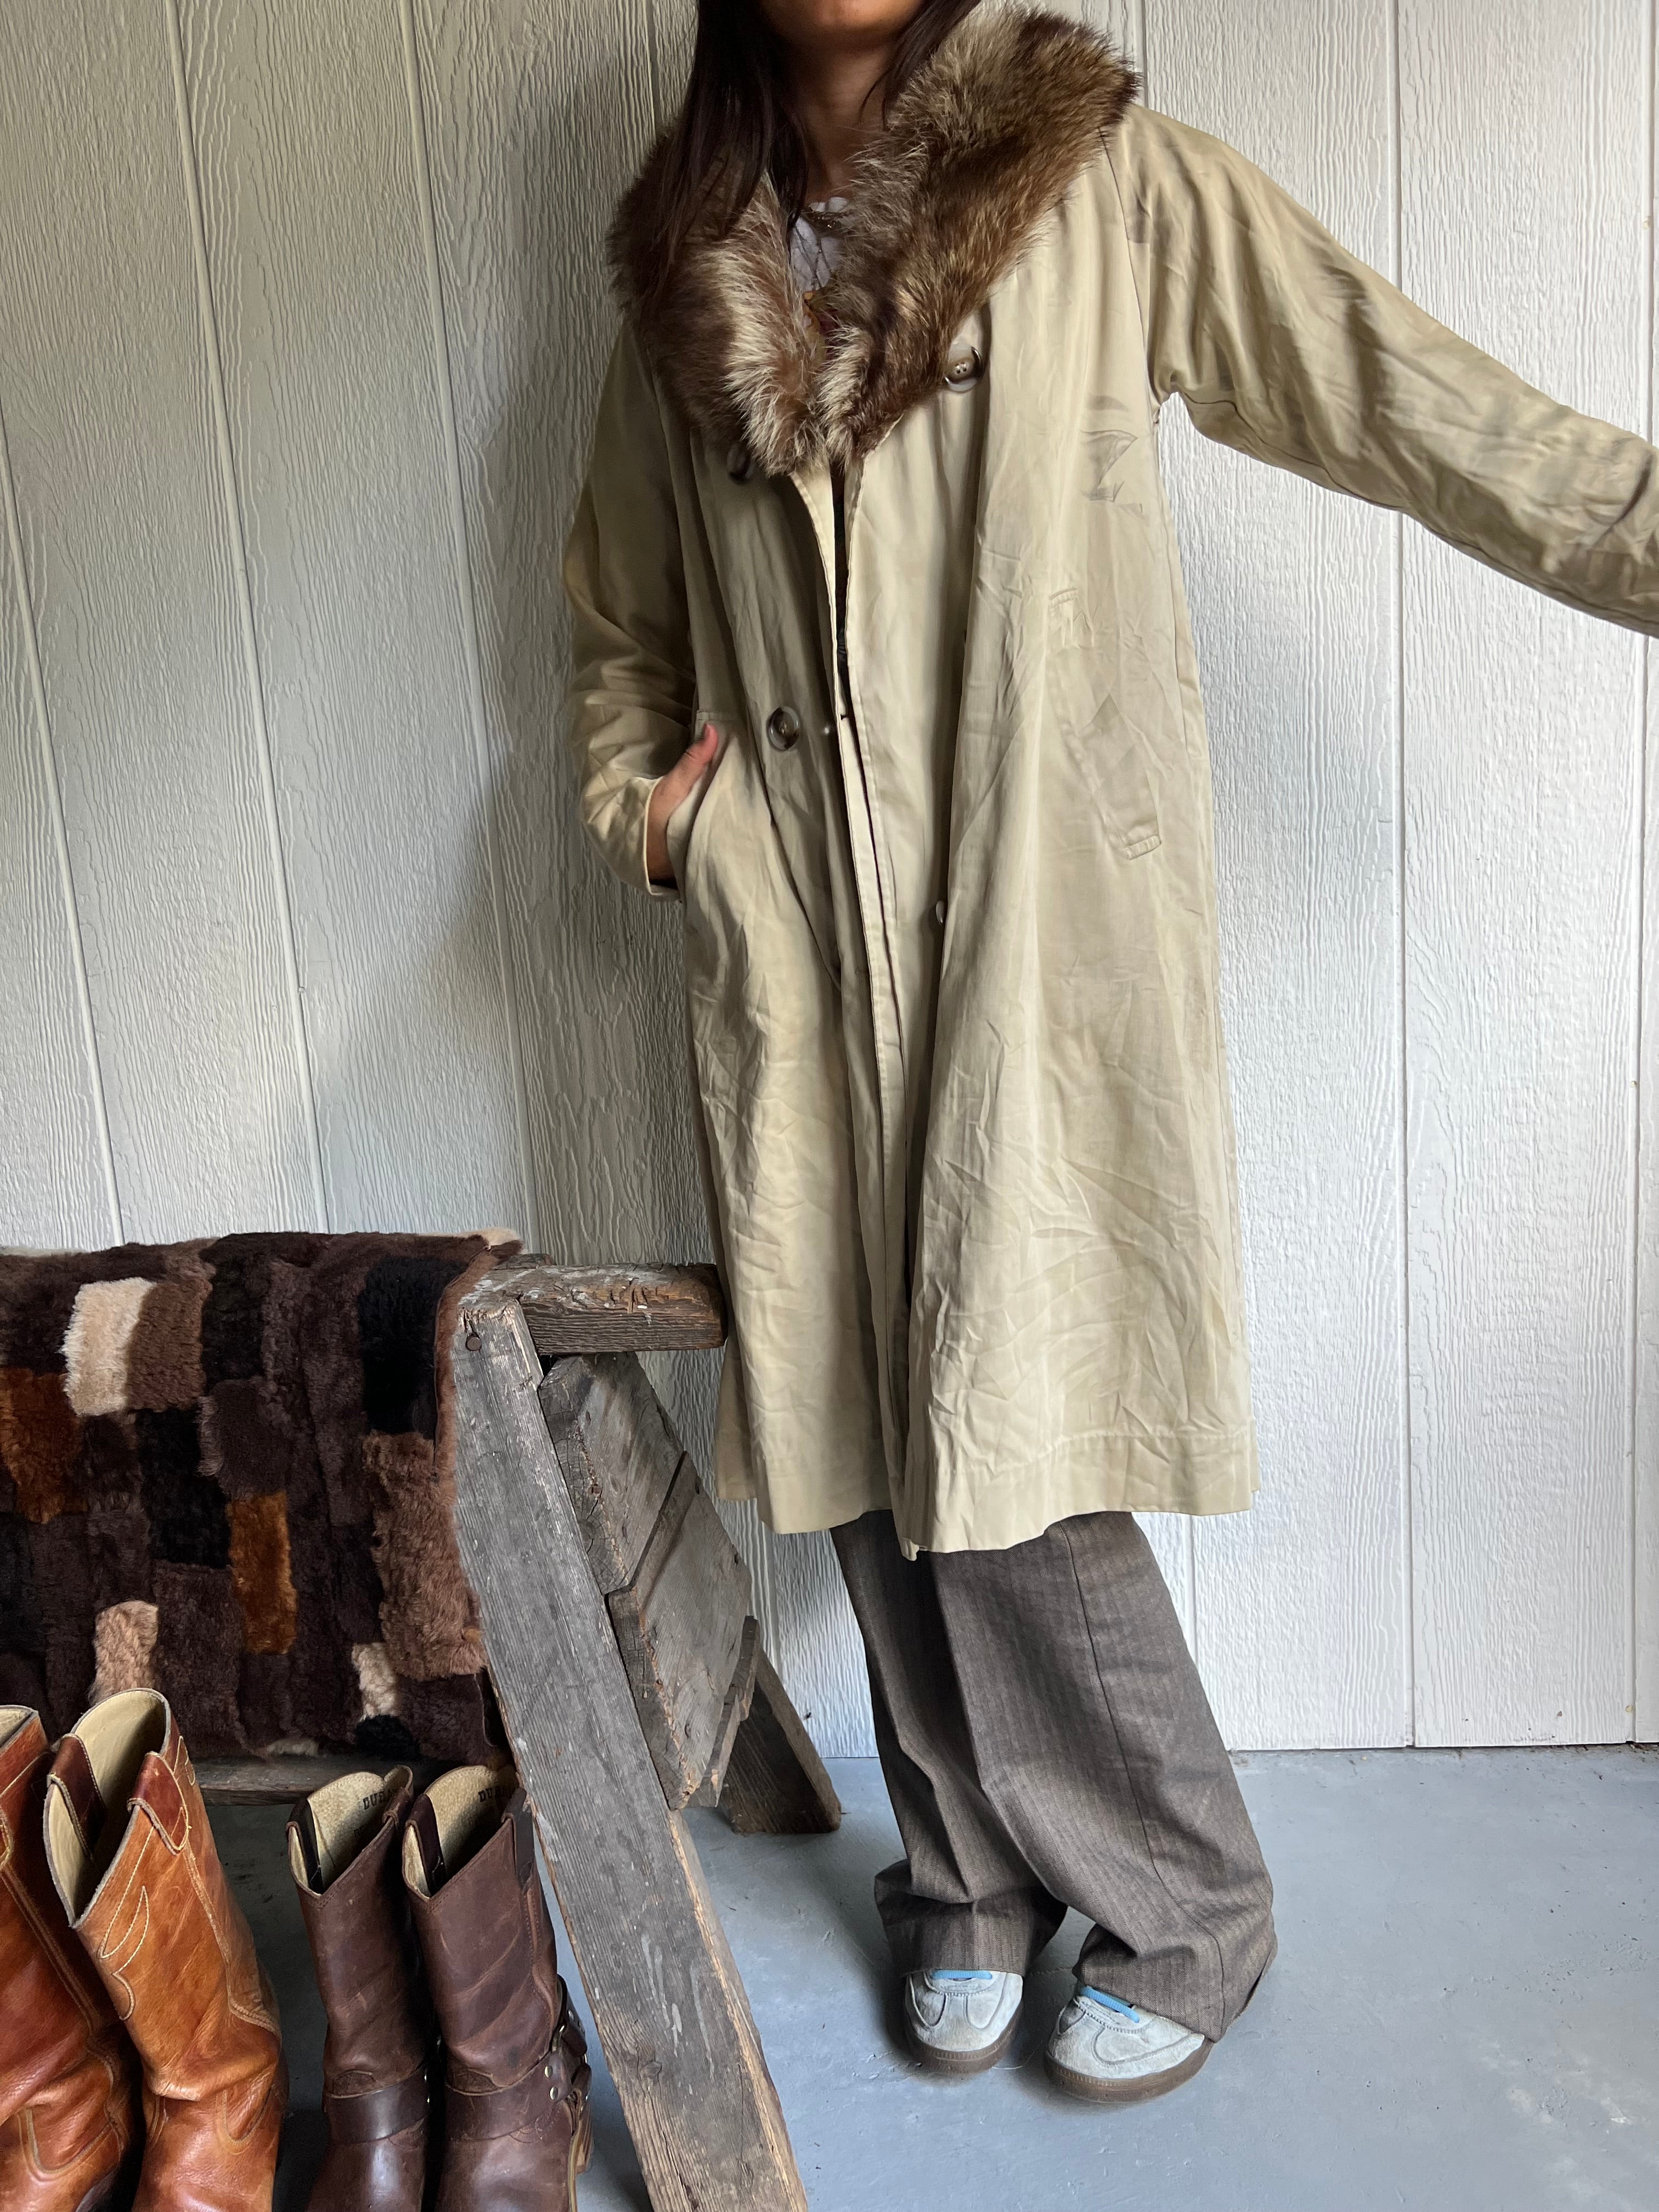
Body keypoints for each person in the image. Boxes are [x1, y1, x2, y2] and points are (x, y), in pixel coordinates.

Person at [562, 0, 1659, 2105]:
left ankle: (1188, 1898)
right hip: (799, 945)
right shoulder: (687, 274)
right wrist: (672, 826)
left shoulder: (1106, 190)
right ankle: (966, 1874)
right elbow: (618, 630)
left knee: (1011, 1431)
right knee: (853, 1412)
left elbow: (1422, 407)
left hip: (1033, 938)